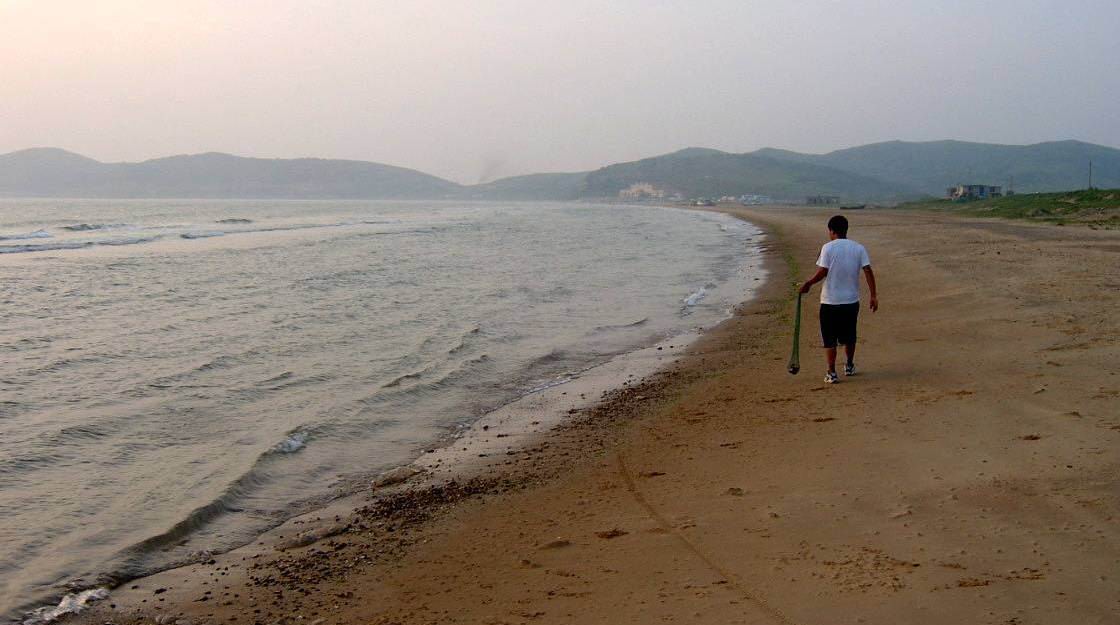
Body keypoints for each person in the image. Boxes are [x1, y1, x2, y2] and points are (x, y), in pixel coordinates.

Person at [799, 215, 877, 384]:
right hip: (851, 300)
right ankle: (849, 365)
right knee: (850, 335)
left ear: (831, 231)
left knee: (830, 338)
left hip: (830, 301)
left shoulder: (827, 248)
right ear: (846, 230)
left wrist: (808, 283)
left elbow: (822, 272)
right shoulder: (858, 248)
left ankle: (832, 372)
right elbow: (868, 270)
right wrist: (873, 295)